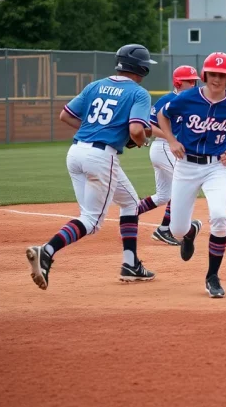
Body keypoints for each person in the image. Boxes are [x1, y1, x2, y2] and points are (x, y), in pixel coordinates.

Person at [25, 44, 157, 290]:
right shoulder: (139, 93)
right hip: (101, 157)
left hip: (76, 152)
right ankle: (47, 250)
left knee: (129, 202)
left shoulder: (94, 85)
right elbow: (137, 131)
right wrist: (142, 142)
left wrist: (94, 131)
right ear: (142, 68)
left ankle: (131, 264)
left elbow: (65, 116)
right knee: (92, 221)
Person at [157, 52, 226, 298]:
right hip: (186, 165)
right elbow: (162, 115)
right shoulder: (188, 98)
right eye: (213, 74)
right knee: (176, 230)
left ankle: (212, 276)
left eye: (222, 75)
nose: (217, 79)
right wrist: (171, 140)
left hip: (216, 168)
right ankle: (190, 231)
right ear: (205, 75)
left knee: (220, 218)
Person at [135, 65, 199, 245]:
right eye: (190, 81)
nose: (194, 84)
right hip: (163, 148)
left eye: (195, 81)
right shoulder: (168, 99)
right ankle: (164, 229)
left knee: (164, 195)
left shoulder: (193, 101)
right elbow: (148, 126)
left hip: (171, 150)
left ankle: (130, 214)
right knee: (183, 186)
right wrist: (170, 138)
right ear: (179, 82)